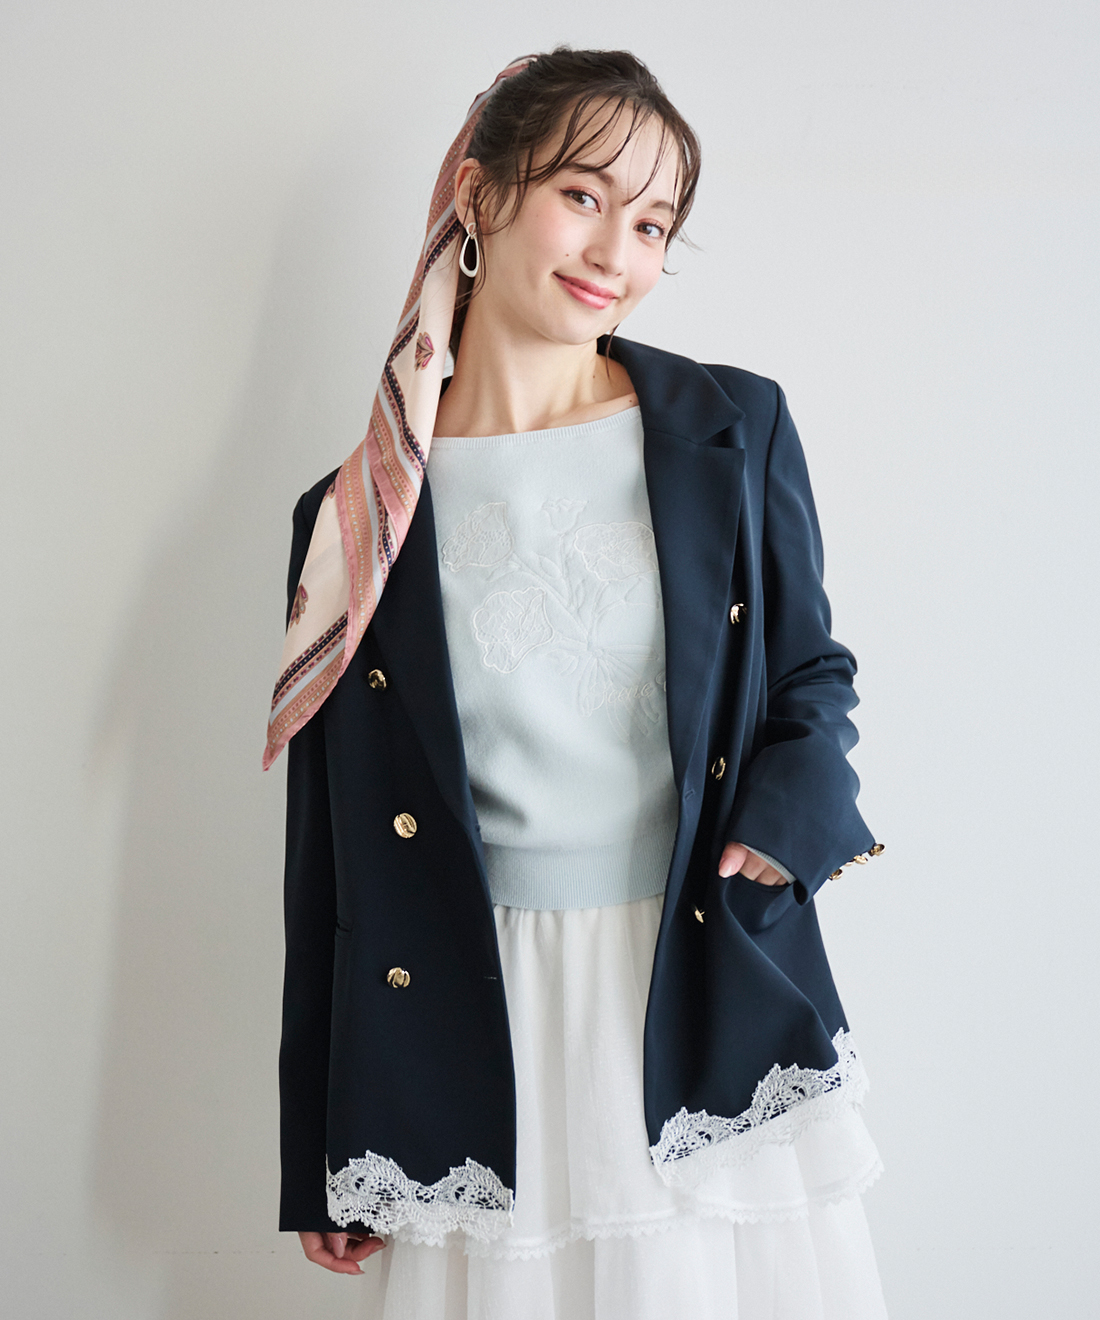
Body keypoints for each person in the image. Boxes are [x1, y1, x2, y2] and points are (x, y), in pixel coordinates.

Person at [265, 47, 889, 1319]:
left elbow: (809, 672)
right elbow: (329, 852)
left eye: (653, 223)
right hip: (472, 1010)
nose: (617, 250)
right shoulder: (357, 517)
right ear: (480, 194)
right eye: (583, 196)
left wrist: (790, 821)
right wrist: (320, 1142)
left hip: (696, 976)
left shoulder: (731, 426)